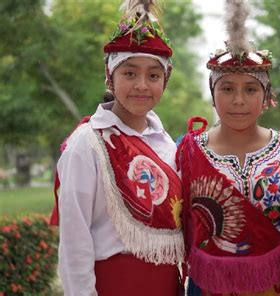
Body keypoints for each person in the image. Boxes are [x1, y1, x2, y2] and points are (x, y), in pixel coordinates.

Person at [49, 1, 184, 295]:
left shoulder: (166, 144)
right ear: (110, 77)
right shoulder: (87, 143)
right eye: (129, 73)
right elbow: (74, 240)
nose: (142, 85)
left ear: (165, 81)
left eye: (153, 75)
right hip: (113, 285)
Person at [176, 1, 280, 295]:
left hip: (279, 286)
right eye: (227, 88)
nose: (239, 100)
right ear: (213, 93)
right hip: (209, 286)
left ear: (266, 95)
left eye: (251, 89)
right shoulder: (189, 150)